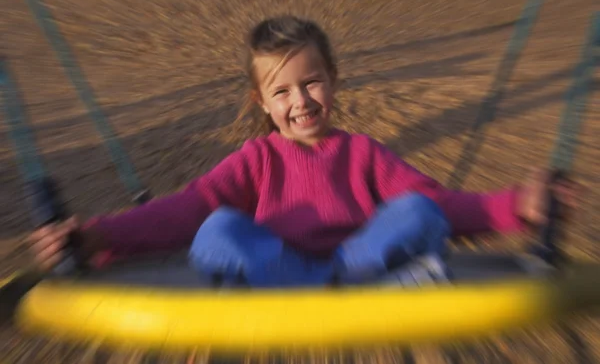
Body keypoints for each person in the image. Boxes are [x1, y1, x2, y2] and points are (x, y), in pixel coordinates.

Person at [26, 16, 581, 288]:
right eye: (282, 91)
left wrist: (518, 205)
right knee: (217, 228)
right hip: (274, 270)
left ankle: (334, 283)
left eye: (312, 83)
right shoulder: (257, 160)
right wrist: (98, 236)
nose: (301, 102)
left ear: (333, 81)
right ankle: (315, 282)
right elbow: (185, 211)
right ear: (262, 103)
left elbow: (437, 204)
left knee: (415, 211)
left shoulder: (363, 153)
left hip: (355, 265)